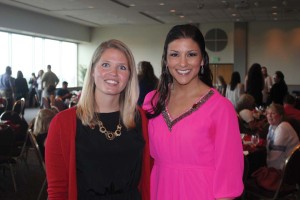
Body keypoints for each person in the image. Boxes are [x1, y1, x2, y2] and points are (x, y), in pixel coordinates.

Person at [143, 24, 243, 199]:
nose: (183, 63)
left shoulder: (221, 108)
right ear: (166, 60)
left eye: (191, 54)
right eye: (175, 54)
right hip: (159, 191)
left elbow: (229, 178)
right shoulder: (153, 101)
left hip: (201, 193)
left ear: (203, 59)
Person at [45, 39, 151, 200]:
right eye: (106, 65)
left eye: (122, 67)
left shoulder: (140, 119)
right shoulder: (63, 123)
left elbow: (148, 177)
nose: (113, 73)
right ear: (93, 70)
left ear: (129, 76)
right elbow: (57, 191)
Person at [265, 103, 299, 170]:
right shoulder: (272, 127)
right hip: (282, 162)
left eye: (273, 113)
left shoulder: (283, 127)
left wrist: (266, 167)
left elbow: (275, 156)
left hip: (288, 166)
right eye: (268, 113)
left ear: (281, 116)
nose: (269, 116)